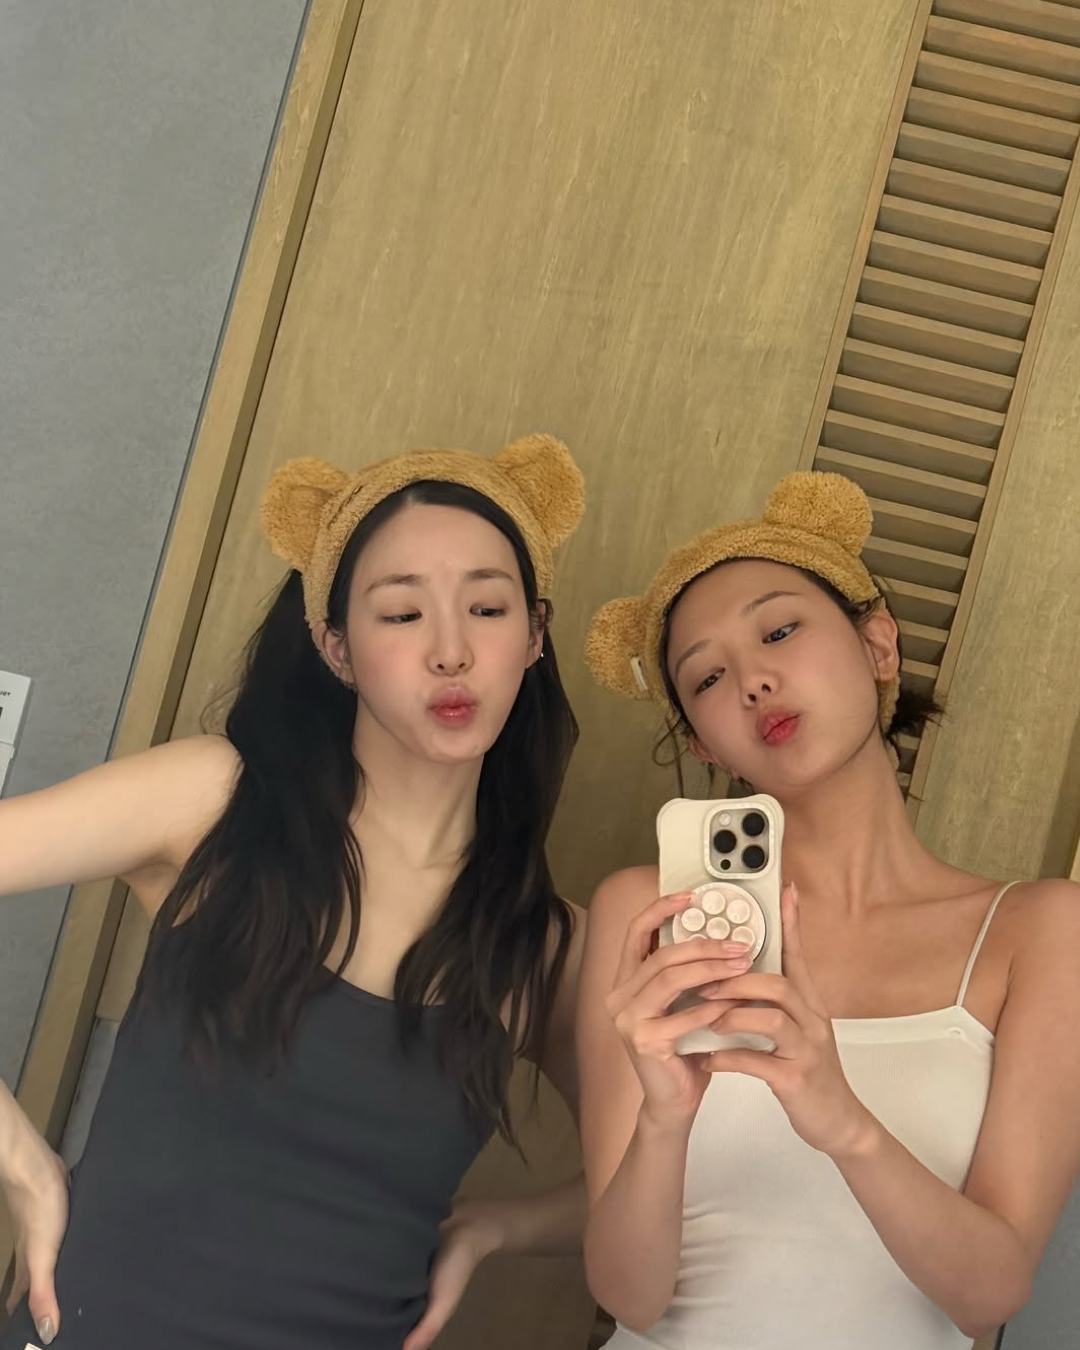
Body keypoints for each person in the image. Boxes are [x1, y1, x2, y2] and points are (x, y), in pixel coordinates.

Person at [0, 433, 588, 1350]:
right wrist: (23, 1167)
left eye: (487, 607)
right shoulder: (214, 802)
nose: (451, 651)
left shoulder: (543, 943)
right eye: (402, 614)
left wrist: (496, 1230)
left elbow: (669, 1188)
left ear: (534, 636)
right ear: (336, 647)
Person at [577, 470, 1080, 1349]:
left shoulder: (1039, 931)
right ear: (701, 741)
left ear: (878, 644)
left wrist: (841, 1120)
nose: (753, 680)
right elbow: (631, 1298)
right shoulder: (648, 912)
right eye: (707, 678)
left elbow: (990, 1294)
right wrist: (663, 1121)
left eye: (779, 630)